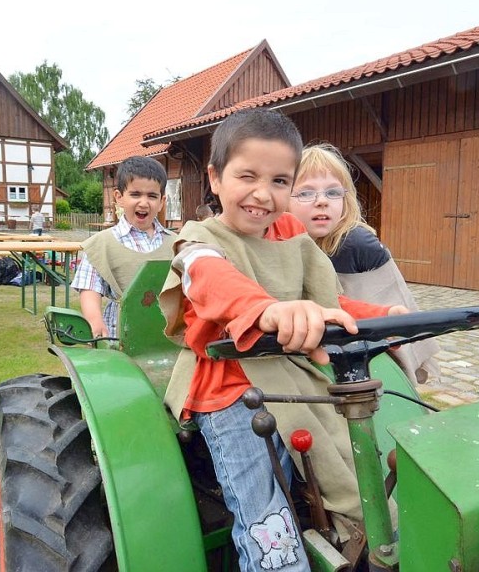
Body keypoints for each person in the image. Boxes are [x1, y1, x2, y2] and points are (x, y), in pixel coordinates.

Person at [159, 109, 408, 571]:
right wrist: (269, 309)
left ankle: (366, 535)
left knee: (365, 460)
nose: (262, 194)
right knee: (265, 513)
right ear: (215, 178)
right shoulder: (198, 243)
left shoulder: (293, 238)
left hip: (297, 374)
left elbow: (327, 302)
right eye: (246, 176)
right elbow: (213, 282)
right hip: (232, 388)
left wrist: (385, 316)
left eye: (279, 181)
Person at [288, 143, 440, 385]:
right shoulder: (284, 246)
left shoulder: (356, 244)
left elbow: (390, 312)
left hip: (370, 351)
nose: (321, 201)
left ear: (345, 198)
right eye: (306, 193)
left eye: (333, 192)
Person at [72, 156, 175, 338]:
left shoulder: (176, 243)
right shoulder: (102, 244)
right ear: (119, 197)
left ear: (162, 201)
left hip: (167, 333)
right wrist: (95, 320)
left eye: (152, 196)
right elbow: (89, 288)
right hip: (120, 334)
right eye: (135, 194)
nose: (144, 203)